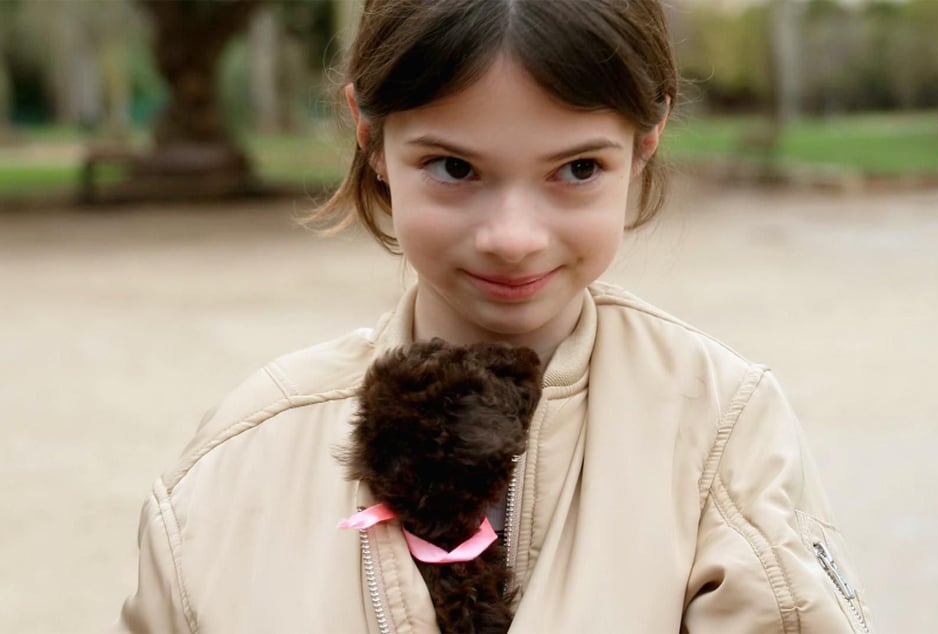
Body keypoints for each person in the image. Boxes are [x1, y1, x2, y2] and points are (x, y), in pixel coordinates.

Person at [116, 1, 873, 632]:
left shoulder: (717, 431)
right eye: (453, 167)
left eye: (577, 169)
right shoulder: (236, 465)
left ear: (646, 142)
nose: (513, 238)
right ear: (368, 134)